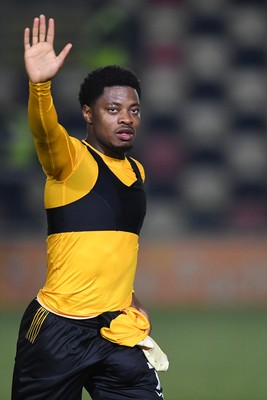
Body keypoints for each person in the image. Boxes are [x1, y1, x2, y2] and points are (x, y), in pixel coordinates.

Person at [12, 14, 168, 400]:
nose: (126, 118)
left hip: (115, 332)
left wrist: (129, 298)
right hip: (57, 334)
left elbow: (111, 252)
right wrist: (40, 86)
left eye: (133, 110)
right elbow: (45, 133)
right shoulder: (71, 161)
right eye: (113, 110)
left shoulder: (137, 172)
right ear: (88, 113)